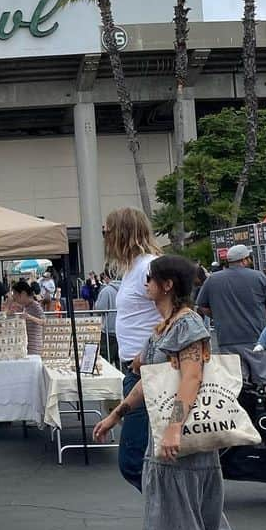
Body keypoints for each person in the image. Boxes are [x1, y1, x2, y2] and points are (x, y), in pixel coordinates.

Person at [93, 255, 260, 530]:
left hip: (179, 445)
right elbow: (150, 381)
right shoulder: (168, 326)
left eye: (150, 279)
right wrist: (118, 414)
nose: (144, 284)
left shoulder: (184, 326)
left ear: (167, 285)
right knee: (200, 514)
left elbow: (192, 378)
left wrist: (172, 429)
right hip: (189, 444)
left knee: (176, 520)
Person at [105, 208, 162, 498]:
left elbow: (174, 313)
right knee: (142, 457)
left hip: (149, 369)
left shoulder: (148, 267)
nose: (105, 237)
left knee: (133, 459)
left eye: (108, 231)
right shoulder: (134, 269)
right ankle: (170, 512)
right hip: (139, 368)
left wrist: (147, 350)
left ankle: (170, 510)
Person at [196, 244, 266, 383]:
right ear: (244, 260)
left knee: (236, 383)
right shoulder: (258, 277)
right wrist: (262, 316)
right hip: (257, 337)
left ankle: (242, 405)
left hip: (227, 339)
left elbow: (202, 305)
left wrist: (218, 316)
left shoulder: (212, 279)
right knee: (265, 381)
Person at [5, 278, 45, 354]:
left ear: (22, 294)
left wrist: (30, 317)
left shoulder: (35, 305)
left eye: (15, 294)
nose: (14, 298)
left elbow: (44, 322)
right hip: (27, 345)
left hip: (34, 346)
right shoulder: (25, 306)